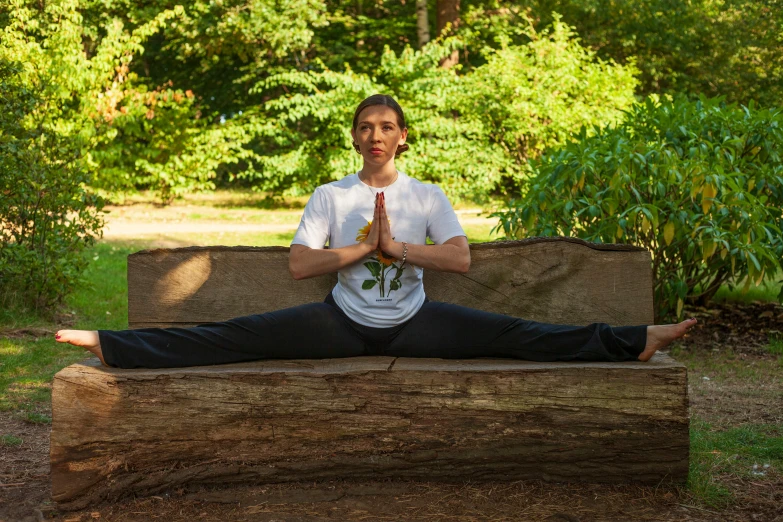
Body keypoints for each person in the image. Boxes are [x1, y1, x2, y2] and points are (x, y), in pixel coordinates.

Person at [55, 94, 696, 368]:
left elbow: (460, 260)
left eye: (386, 127)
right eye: (365, 127)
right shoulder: (331, 195)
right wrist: (364, 247)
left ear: (402, 137)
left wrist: (398, 248)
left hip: (416, 322)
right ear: (355, 137)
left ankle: (633, 342)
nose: (375, 136)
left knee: (522, 336)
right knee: (228, 338)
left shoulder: (426, 195)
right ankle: (112, 346)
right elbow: (300, 267)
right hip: (339, 320)